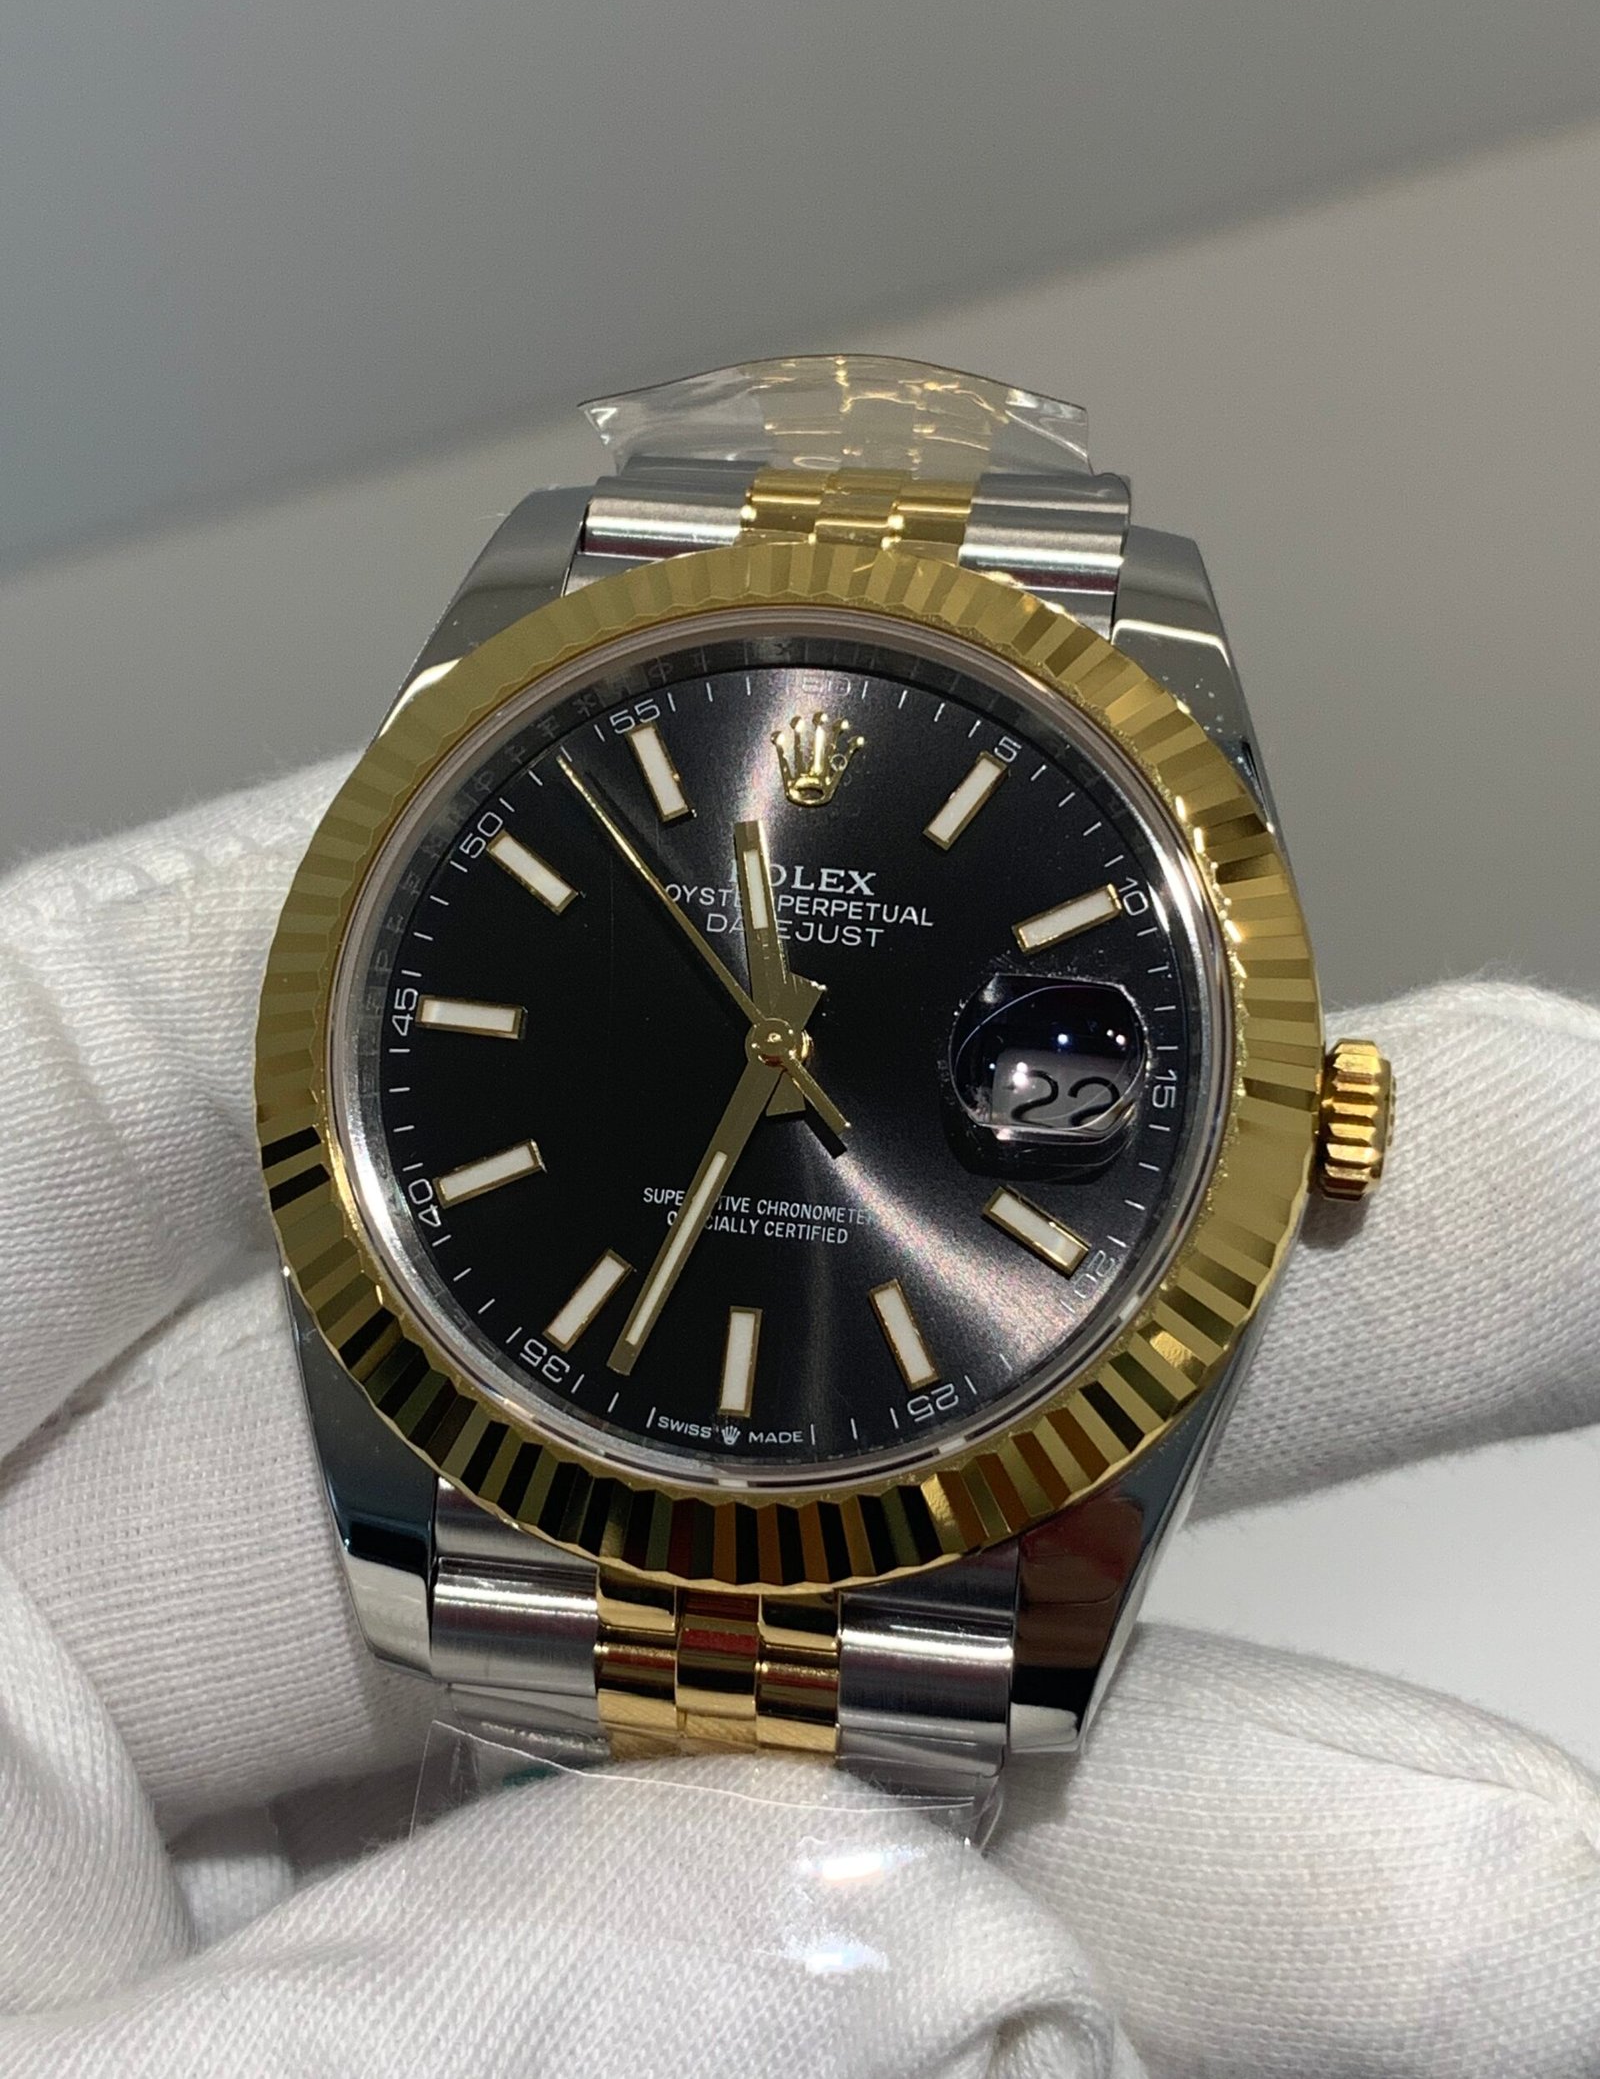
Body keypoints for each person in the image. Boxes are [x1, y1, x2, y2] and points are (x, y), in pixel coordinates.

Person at [1, 760, 1597, 2077]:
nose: (780, 1053)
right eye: (774, 1040)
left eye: (789, 1046)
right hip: (493, 1449)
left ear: (1315, 1121)